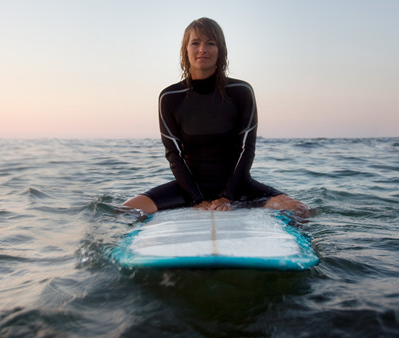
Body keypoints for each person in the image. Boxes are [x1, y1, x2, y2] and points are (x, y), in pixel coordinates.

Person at [122, 17, 310, 217]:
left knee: (300, 210)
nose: (202, 49)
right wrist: (196, 199)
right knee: (122, 211)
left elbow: (247, 149)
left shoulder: (240, 91)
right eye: (195, 43)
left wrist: (228, 197)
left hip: (238, 187)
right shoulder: (170, 97)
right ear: (185, 50)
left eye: (210, 43)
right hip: (188, 188)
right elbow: (173, 154)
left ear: (220, 50)